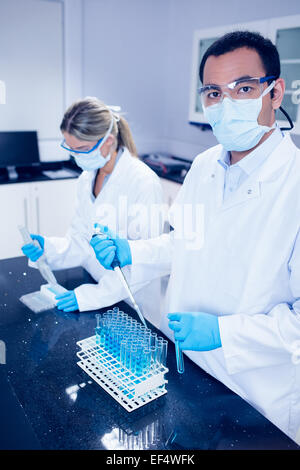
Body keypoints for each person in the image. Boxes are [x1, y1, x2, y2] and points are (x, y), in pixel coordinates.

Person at [90, 32, 300, 443]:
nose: (226, 105)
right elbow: (185, 241)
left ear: (275, 93)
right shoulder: (205, 165)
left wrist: (226, 333)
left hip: (255, 394)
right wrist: (130, 249)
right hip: (189, 366)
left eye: (243, 89)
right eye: (214, 93)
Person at [21, 97, 165, 325]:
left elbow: (144, 263)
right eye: (70, 148)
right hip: (98, 290)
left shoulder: (143, 182)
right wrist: (48, 249)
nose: (76, 156)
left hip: (133, 302)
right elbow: (82, 239)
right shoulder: (87, 178)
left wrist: (90, 296)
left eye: (82, 149)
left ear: (108, 141)